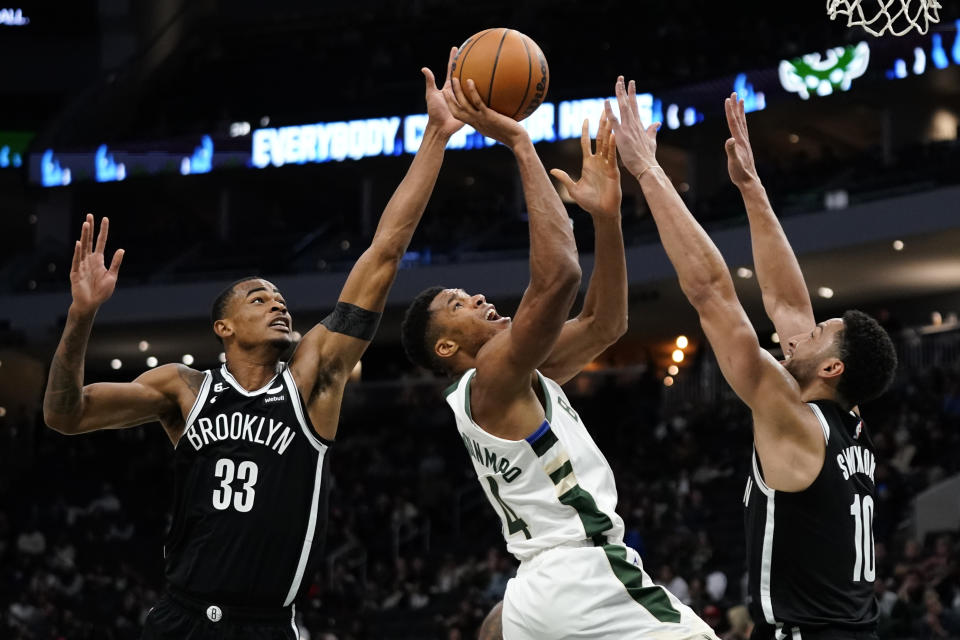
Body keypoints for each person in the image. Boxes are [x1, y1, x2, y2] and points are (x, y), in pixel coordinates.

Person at [41, 51, 464, 639]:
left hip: (266, 626)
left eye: (279, 296)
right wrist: (81, 316)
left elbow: (384, 251)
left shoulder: (311, 378)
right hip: (180, 618)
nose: (277, 302)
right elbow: (65, 414)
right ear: (224, 328)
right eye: (258, 297)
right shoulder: (183, 389)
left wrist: (436, 137)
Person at [400, 72, 718, 640]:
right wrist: (521, 143)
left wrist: (607, 217)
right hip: (585, 572)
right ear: (447, 348)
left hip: (538, 586)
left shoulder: (518, 379)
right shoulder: (492, 379)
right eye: (456, 303)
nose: (475, 296)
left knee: (496, 628)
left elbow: (605, 323)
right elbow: (560, 276)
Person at [607, 77, 897, 640]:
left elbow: (712, 293)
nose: (802, 331)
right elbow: (787, 301)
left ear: (832, 367)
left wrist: (648, 169)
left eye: (819, 333)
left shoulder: (794, 416)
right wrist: (751, 186)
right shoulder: (846, 419)